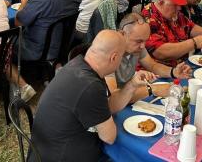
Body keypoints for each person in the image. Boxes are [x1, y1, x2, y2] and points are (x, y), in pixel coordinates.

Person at [29, 30, 155, 162]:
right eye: (121, 56)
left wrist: (132, 84)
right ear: (113, 58)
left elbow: (108, 106)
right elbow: (109, 137)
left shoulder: (79, 64)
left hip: (45, 149)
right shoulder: (90, 85)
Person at [106, 12, 193, 102]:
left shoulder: (136, 46)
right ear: (121, 34)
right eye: (138, 41)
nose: (143, 46)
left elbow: (152, 65)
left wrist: (173, 72)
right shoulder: (109, 54)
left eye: (145, 41)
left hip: (128, 95)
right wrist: (153, 89)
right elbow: (114, 98)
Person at [14, 0, 81, 62]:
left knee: (5, 39)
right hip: (64, 45)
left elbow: (18, 23)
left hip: (38, 49)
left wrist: (23, 3)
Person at [142, 0, 202, 66]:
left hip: (181, 65)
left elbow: (191, 27)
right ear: (161, 2)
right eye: (175, 4)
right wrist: (194, 43)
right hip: (161, 71)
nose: (179, 8)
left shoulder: (174, 13)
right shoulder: (148, 18)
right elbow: (160, 52)